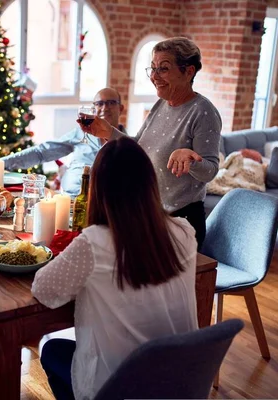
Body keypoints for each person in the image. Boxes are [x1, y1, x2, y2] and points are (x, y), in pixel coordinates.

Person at [32, 137, 198, 400]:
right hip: (177, 383)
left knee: (51, 350)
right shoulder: (184, 231)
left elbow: (43, 290)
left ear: (99, 188)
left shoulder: (95, 241)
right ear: (150, 182)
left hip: (120, 387)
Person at [81, 37, 222, 249]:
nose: (154, 77)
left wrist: (190, 159)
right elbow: (138, 148)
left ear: (189, 71)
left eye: (163, 69)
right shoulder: (161, 105)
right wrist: (108, 132)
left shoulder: (203, 112)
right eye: (153, 68)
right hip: (150, 216)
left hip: (180, 223)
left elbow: (210, 170)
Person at [0, 88, 126, 197]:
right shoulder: (81, 134)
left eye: (111, 103)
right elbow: (42, 152)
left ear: (120, 108)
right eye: (99, 103)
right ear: (93, 109)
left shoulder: (129, 145)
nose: (105, 108)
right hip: (69, 199)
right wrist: (1, 164)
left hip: (103, 207)